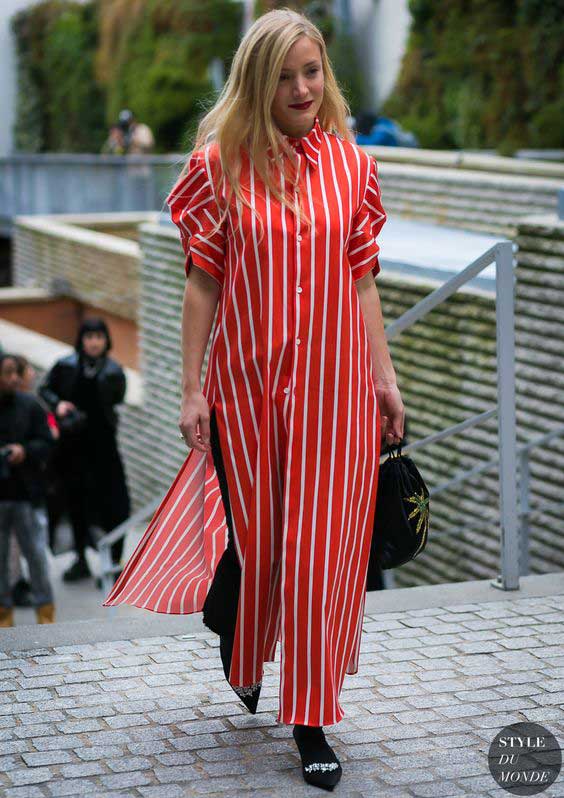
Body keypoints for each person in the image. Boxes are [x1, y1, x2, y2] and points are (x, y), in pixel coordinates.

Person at [104, 9, 404, 791]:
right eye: (285, 74)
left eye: (313, 71)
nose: (303, 87)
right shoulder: (217, 169)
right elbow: (202, 286)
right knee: (265, 548)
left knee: (322, 557)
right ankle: (240, 636)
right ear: (257, 81)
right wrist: (191, 388)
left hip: (337, 395)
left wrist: (385, 378)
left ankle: (310, 718)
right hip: (248, 393)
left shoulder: (353, 168)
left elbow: (364, 282)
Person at [39, 319, 131, 582]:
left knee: (115, 504)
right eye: (89, 337)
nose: (94, 342)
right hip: (71, 449)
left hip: (104, 449)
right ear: (81, 339)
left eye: (99, 337)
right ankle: (80, 558)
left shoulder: (114, 371)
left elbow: (117, 399)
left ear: (106, 341)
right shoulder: (65, 365)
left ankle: (114, 562)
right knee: (74, 502)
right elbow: (45, 389)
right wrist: (58, 405)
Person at [0, 353, 56, 627]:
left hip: (25, 495)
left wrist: (25, 451)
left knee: (35, 556)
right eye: (6, 373)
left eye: (15, 373)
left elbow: (46, 442)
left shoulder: (30, 406)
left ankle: (46, 616)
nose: (12, 379)